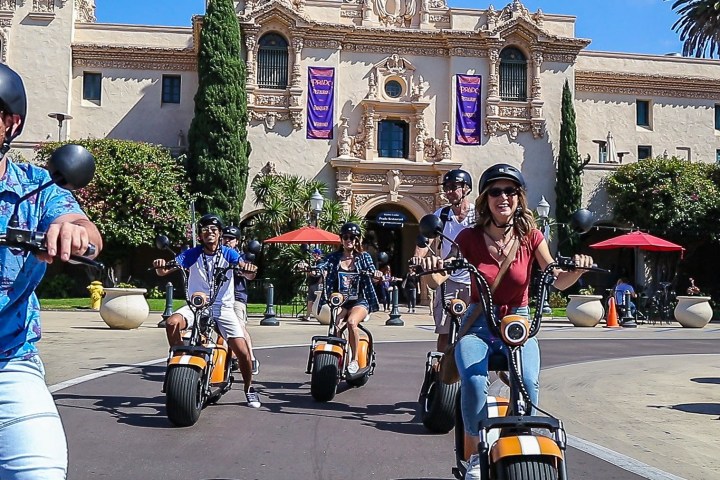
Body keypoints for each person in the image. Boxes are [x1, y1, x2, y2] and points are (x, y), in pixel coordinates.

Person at [422, 164, 593, 480]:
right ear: (486, 198)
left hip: (518, 323)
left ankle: (518, 439)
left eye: (511, 191)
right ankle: (474, 456)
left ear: (520, 197)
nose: (504, 197)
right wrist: (432, 266)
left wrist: (579, 269)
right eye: (496, 191)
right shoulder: (469, 237)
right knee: (473, 381)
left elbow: (557, 279)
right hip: (478, 324)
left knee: (528, 382)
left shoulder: (531, 236)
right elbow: (438, 279)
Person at [0, 63, 103, 478]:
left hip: (7, 362)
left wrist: (72, 233)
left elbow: (85, 229)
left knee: (38, 471)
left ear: (10, 122)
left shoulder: (35, 187)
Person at [153, 214, 261, 409]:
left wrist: (249, 268)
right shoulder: (192, 254)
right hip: (195, 305)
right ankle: (179, 361)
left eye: (213, 230)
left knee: (243, 352)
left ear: (220, 234)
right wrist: (160, 266)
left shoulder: (229, 253)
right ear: (200, 235)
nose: (209, 233)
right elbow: (166, 270)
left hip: (222, 307)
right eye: (204, 230)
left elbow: (246, 271)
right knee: (172, 323)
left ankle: (249, 388)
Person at [413, 169, 475, 352]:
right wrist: (417, 259)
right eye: (446, 187)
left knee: (475, 330)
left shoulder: (477, 215)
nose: (448, 191)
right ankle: (440, 372)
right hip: (448, 278)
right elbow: (426, 239)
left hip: (473, 279)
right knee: (445, 331)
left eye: (453, 187)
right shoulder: (442, 214)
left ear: (466, 189)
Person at [320, 222, 382, 374]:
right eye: (346, 237)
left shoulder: (363, 257)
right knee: (336, 326)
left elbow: (372, 272)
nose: (349, 240)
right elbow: (322, 265)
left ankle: (354, 360)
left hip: (360, 300)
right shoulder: (334, 258)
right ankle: (339, 359)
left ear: (357, 240)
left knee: (351, 322)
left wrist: (376, 275)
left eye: (353, 237)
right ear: (341, 239)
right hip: (340, 300)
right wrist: (311, 269)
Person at [222, 225, 259, 375]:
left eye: (231, 239)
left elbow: (249, 273)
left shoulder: (241, 258)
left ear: (237, 241)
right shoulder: (216, 255)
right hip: (216, 297)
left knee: (238, 326)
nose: (227, 241)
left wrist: (246, 270)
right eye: (225, 238)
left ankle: (251, 359)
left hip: (236, 296)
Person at [304, 248, 324, 321]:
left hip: (317, 284)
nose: (312, 255)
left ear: (317, 254)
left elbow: (317, 274)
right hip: (312, 283)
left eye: (314, 253)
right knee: (310, 300)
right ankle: (308, 316)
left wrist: (309, 272)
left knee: (317, 300)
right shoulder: (314, 263)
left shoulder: (321, 262)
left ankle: (320, 315)